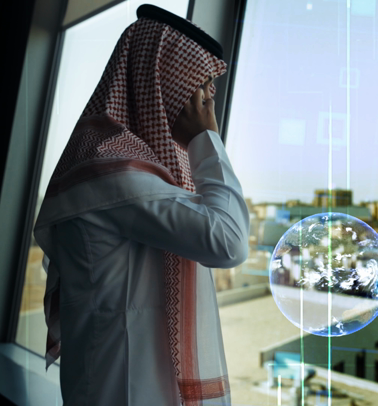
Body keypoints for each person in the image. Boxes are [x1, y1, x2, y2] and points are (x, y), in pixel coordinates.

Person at [33, 5, 249, 405]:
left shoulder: (118, 163)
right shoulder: (109, 168)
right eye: (198, 87)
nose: (205, 103)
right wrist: (207, 139)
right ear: (158, 79)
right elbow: (228, 241)